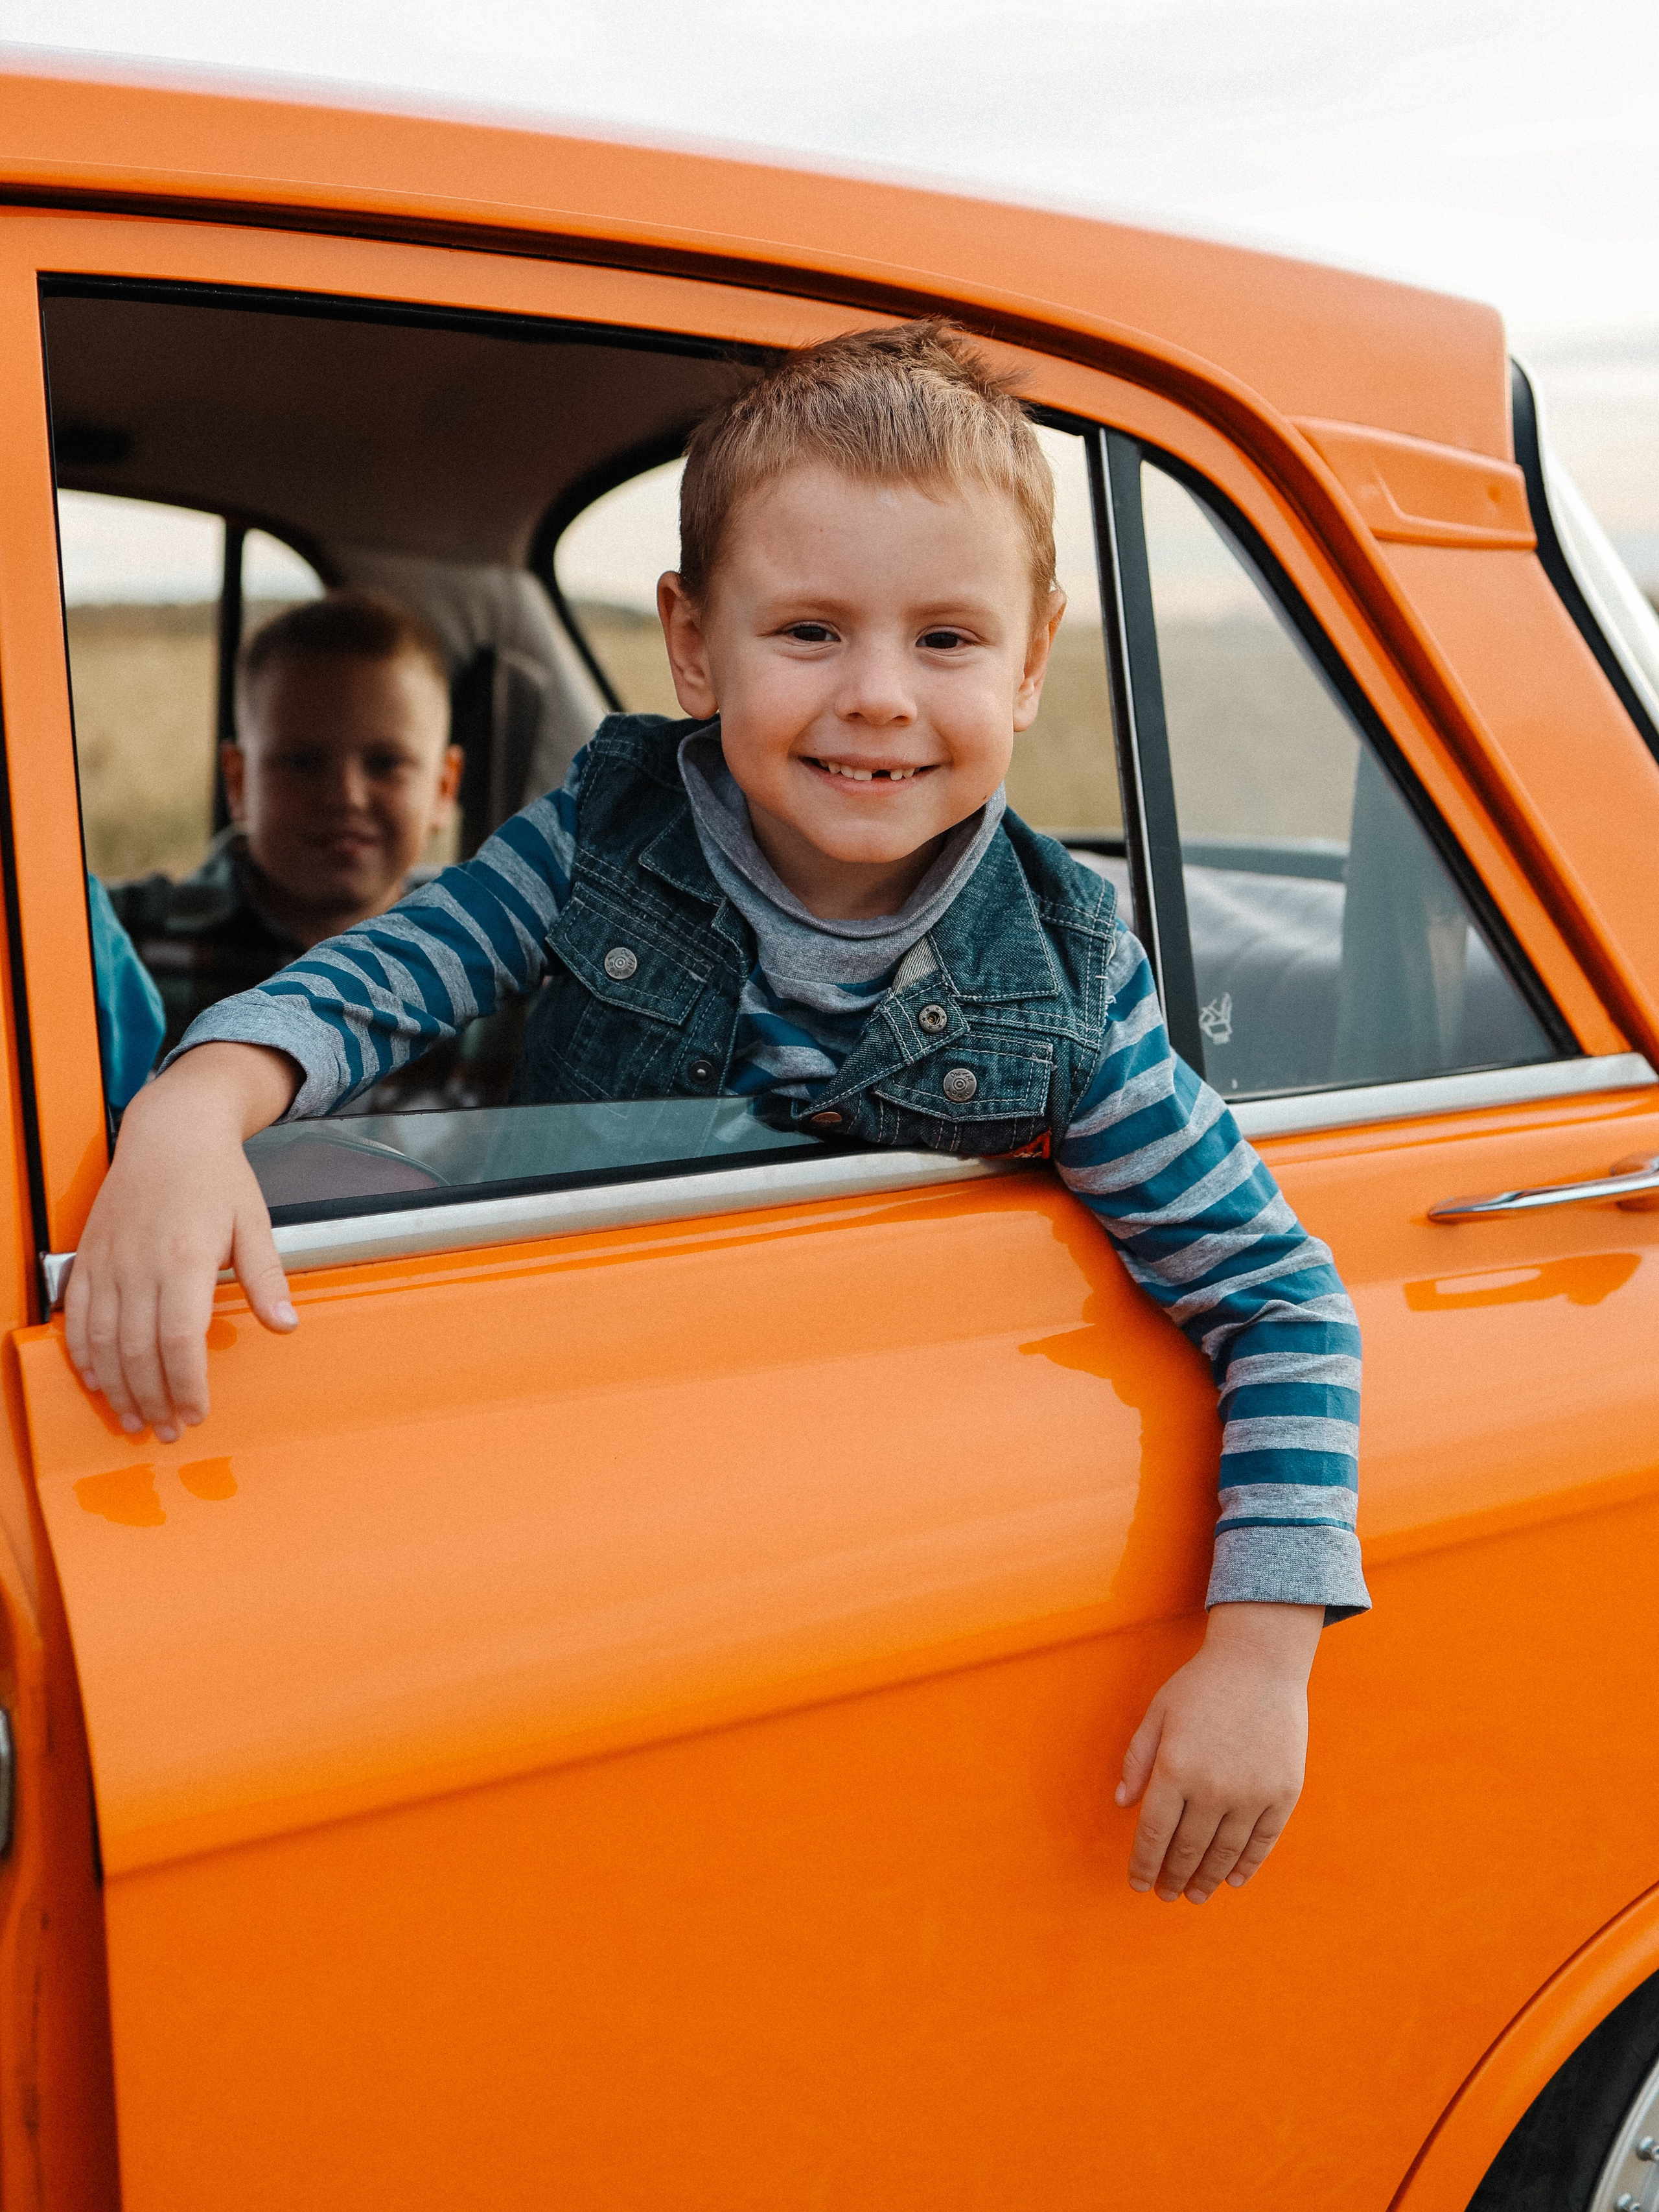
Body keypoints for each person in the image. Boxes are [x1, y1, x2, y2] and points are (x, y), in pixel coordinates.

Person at [66, 322, 1368, 1909]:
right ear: (694, 646)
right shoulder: (604, 834)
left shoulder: (1066, 990)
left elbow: (1277, 1297)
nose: (876, 696)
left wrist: (1259, 1651)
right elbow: (394, 972)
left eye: (945, 638)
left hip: (855, 1518)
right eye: (809, 630)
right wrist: (200, 1100)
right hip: (544, 1434)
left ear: (1030, 661)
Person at [106, 591, 464, 1063]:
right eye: (302, 762)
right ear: (238, 782)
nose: (345, 795)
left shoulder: (484, 957)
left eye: (386, 763)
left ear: (443, 788)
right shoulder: (122, 944)